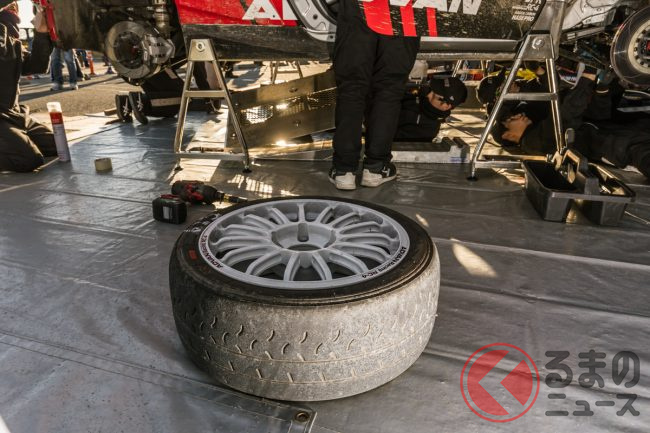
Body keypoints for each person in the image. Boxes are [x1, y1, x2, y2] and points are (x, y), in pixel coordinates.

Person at [493, 67, 650, 179]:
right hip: (619, 146)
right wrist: (587, 77)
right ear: (508, 135)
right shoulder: (534, 143)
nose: (518, 115)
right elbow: (567, 116)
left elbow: (595, 116)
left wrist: (602, 89)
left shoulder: (535, 130)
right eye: (511, 120)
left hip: (620, 135)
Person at [329, 0, 420, 190]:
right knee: (389, 90)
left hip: (359, 6)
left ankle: (344, 170)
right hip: (404, 8)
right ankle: (376, 167)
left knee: (352, 88)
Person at [0, 1, 56, 173]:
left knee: (56, 146)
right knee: (29, 160)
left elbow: (37, 65)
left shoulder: (12, 42)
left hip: (14, 114)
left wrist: (41, 33)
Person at [394, 76, 468, 142]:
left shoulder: (426, 130)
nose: (428, 94)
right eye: (430, 89)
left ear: (445, 106)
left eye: (433, 96)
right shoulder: (421, 97)